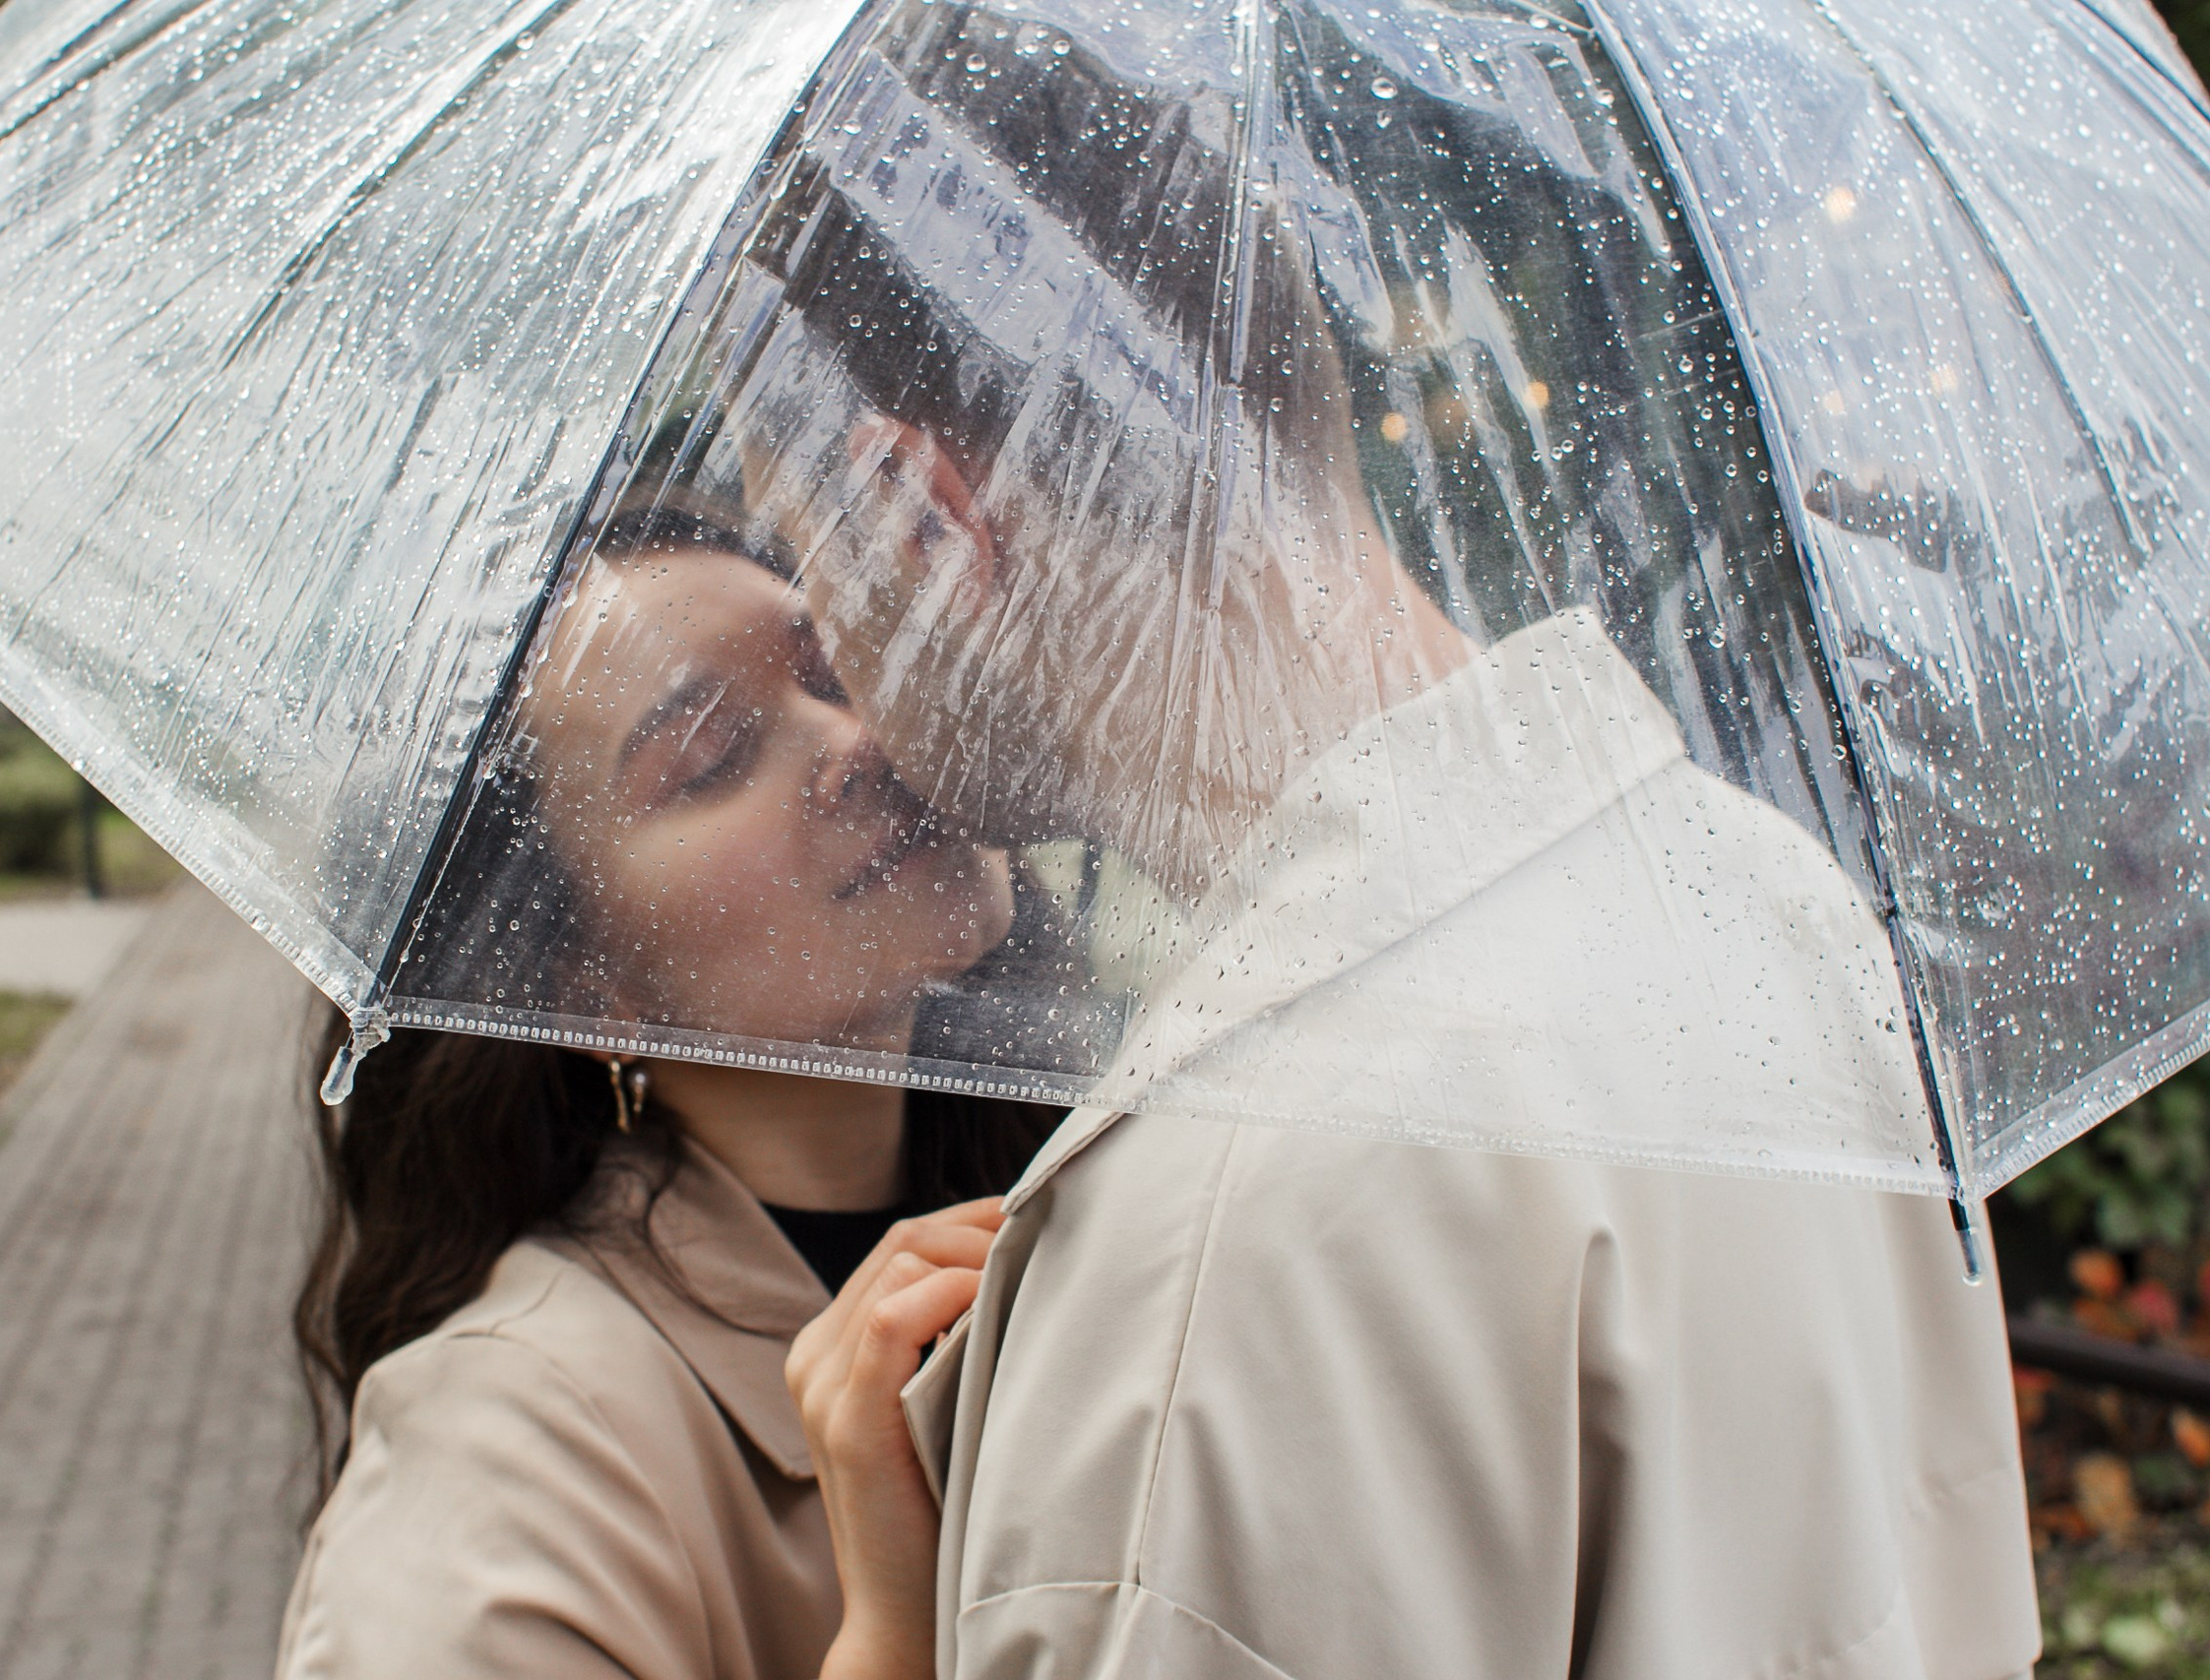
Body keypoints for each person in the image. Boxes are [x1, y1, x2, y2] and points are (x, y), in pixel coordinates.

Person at [748, 8, 2044, 1673]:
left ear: (924, 512)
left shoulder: (1227, 1231)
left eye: (812, 571)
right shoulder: (1763, 895)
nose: (843, 675)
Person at [272, 506, 1060, 1680]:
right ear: (590, 991)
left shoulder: (1082, 1212)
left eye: (843, 667)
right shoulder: (506, 1463)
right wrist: (894, 1645)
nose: (856, 738)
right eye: (711, 758)